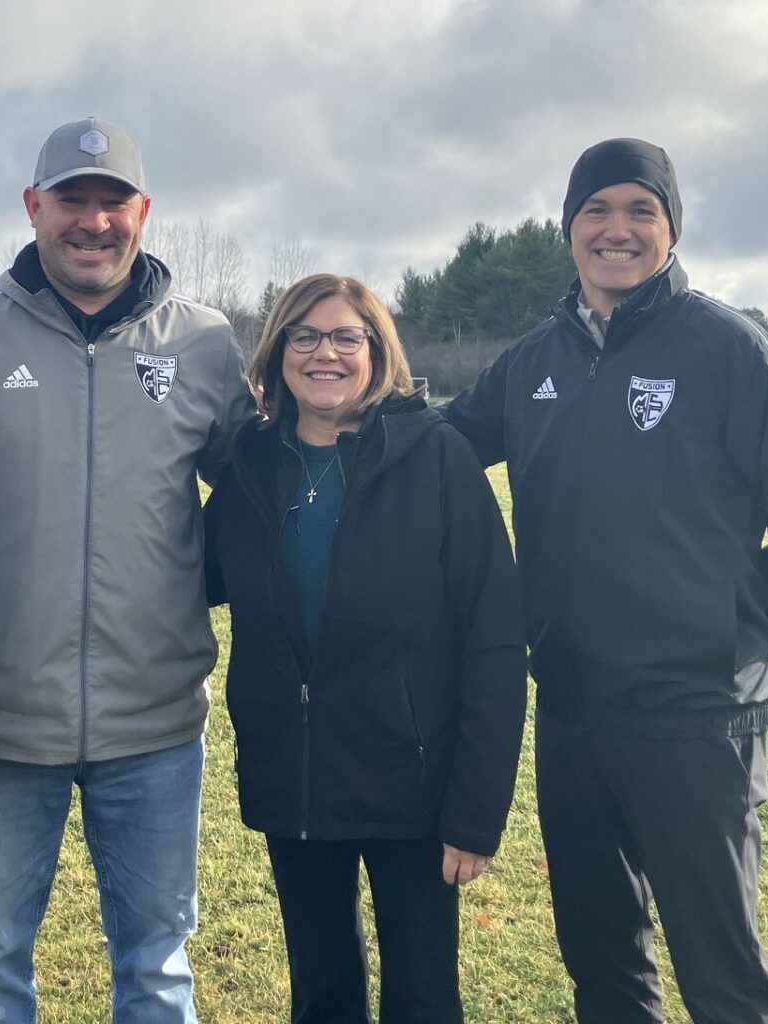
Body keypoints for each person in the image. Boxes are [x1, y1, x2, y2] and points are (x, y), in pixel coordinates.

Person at [440, 138, 768, 1024]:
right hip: (572, 712)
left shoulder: (731, 347)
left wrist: (738, 633)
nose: (617, 229)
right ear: (569, 228)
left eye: (642, 210)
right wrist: (326, 408)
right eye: (596, 210)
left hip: (696, 717)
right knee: (602, 968)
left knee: (723, 979)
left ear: (671, 228)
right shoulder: (534, 362)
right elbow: (437, 450)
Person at [0, 116, 257, 1023]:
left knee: (158, 969)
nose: (92, 222)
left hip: (157, 726)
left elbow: (265, 496)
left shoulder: (206, 345)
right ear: (33, 207)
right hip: (1, 728)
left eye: (113, 203)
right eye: (72, 201)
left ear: (143, 213)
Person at [204, 274, 527, 1023]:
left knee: (421, 996)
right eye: (305, 335)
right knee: (321, 993)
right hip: (296, 778)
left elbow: (494, 638)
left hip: (413, 784)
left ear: (377, 351)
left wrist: (476, 811)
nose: (326, 352)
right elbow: (191, 575)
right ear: (278, 349)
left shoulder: (437, 458)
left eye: (347, 336)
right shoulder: (252, 465)